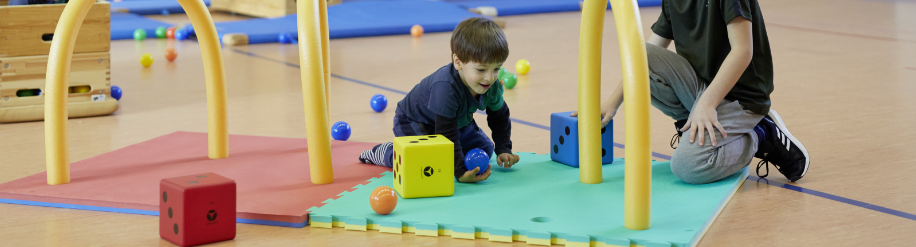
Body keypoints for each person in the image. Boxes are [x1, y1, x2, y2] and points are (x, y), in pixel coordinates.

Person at [575, 0, 809, 184]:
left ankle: (759, 135)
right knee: (640, 54)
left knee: (687, 167)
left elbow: (742, 51)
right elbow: (644, 55)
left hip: (742, 99)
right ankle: (698, 124)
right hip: (703, 90)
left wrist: (705, 105)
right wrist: (612, 103)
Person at [359, 17, 520, 183]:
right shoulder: (446, 87)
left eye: (496, 69)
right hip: (414, 121)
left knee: (486, 149)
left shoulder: (491, 85)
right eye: (481, 69)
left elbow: (499, 116)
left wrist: (503, 149)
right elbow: (447, 133)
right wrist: (459, 172)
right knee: (430, 162)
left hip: (454, 121)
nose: (490, 77)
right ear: (458, 62)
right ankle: (389, 152)